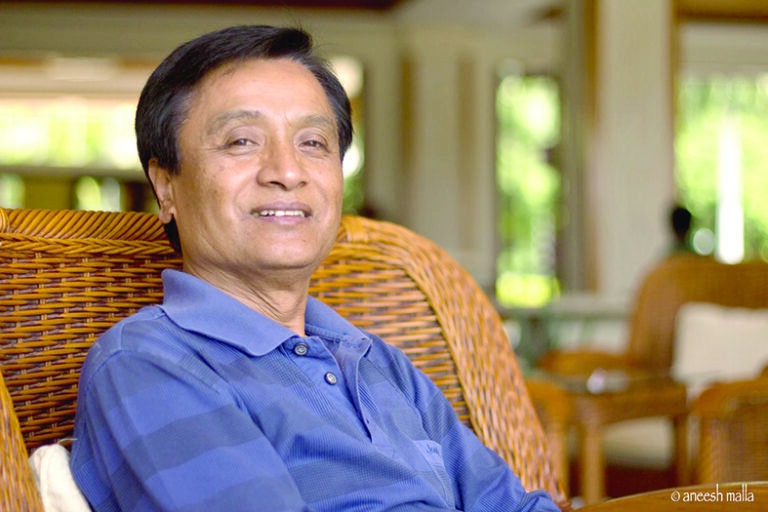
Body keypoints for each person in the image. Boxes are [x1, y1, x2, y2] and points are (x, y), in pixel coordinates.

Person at [70, 25, 559, 512]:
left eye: (313, 143)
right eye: (241, 141)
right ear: (166, 187)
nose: (287, 171)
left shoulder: (379, 363)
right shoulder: (149, 363)